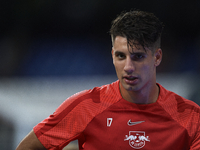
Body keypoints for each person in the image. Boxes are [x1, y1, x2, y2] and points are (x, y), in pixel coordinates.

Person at [16, 10, 200, 150]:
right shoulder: (85, 107)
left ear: (157, 57)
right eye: (121, 56)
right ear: (112, 55)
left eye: (138, 57)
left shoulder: (191, 118)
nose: (128, 67)